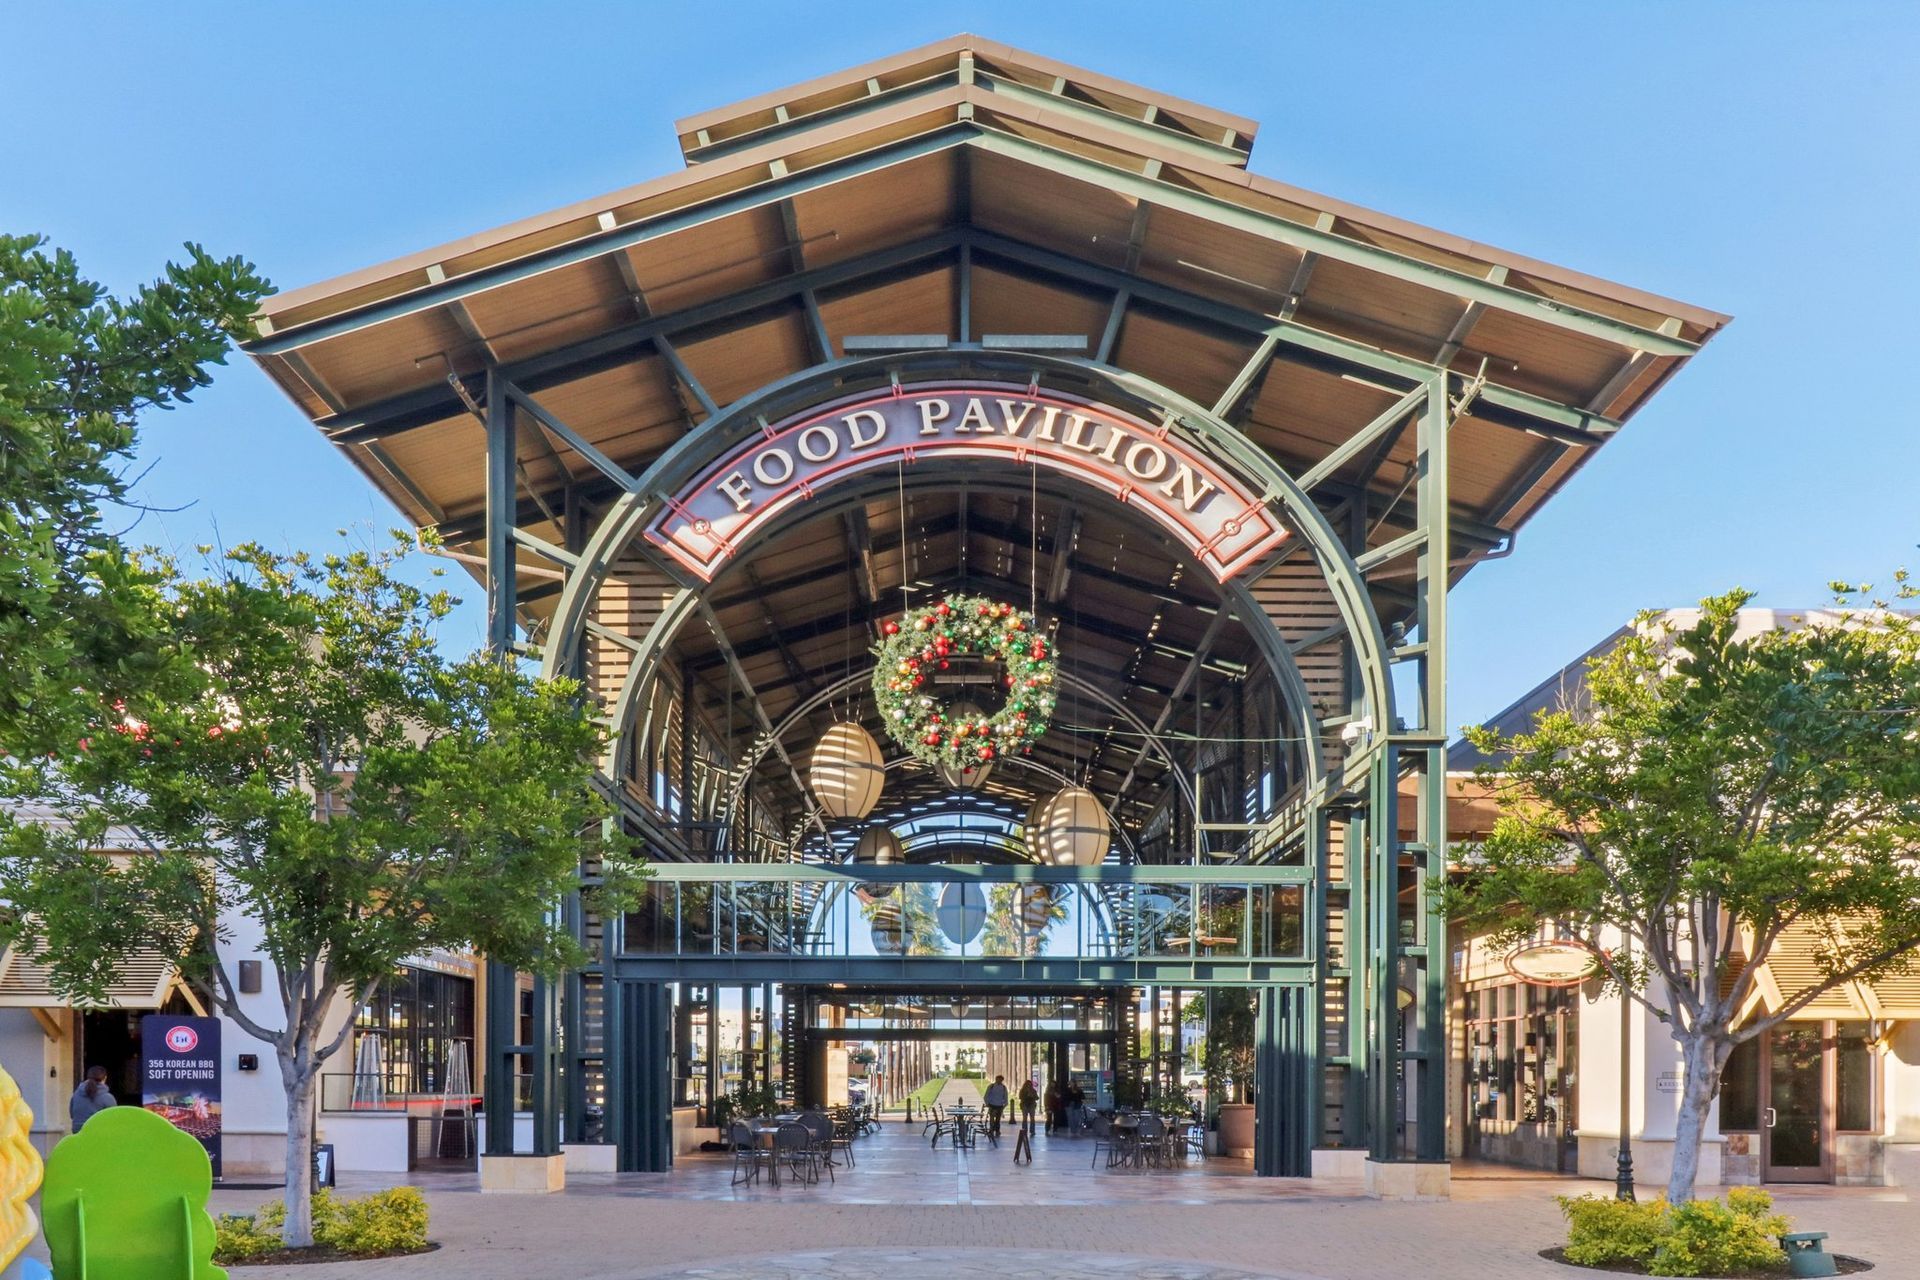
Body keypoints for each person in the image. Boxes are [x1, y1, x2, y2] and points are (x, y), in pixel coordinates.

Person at [70, 1065, 115, 1132]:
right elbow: (113, 1119)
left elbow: (72, 1114)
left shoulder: (76, 1094)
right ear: (105, 1078)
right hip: (98, 1134)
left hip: (78, 1133)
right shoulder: (108, 1098)